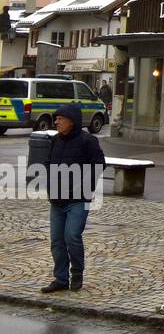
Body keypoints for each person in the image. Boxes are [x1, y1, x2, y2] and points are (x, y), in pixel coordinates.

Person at [41, 104, 104, 293]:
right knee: (57, 242)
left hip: (78, 200)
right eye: (56, 118)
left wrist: (84, 186)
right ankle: (61, 279)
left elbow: (99, 165)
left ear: (72, 121)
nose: (56, 122)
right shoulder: (55, 140)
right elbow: (48, 162)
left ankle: (77, 273)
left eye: (60, 118)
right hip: (57, 201)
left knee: (72, 237)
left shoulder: (88, 141)